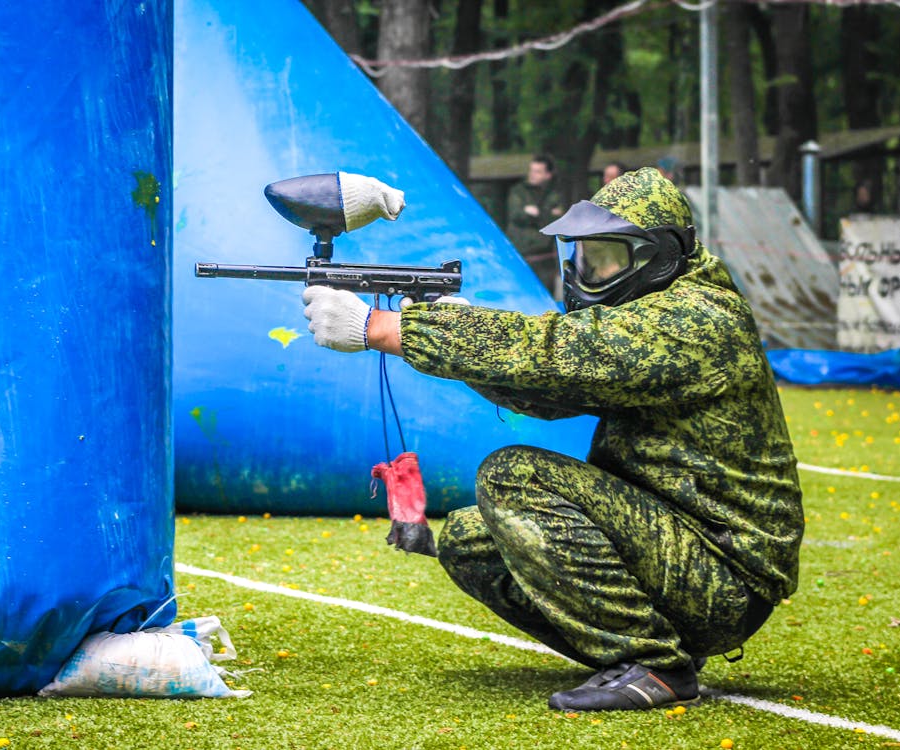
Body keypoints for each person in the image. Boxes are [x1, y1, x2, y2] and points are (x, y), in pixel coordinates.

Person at [301, 167, 803, 712]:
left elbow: (559, 352)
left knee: (513, 475)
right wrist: (453, 331)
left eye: (608, 258)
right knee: (471, 539)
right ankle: (651, 645)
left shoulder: (698, 317)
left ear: (659, 254)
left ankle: (656, 665)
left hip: (723, 573)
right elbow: (549, 391)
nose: (592, 273)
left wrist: (386, 328)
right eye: (587, 257)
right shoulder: (656, 310)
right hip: (674, 552)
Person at [505, 154, 565, 296]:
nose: (532, 175)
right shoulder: (519, 191)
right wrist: (546, 214)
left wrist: (536, 213)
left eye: (538, 171)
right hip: (521, 255)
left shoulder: (555, 194)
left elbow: (556, 222)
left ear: (548, 175)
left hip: (545, 260)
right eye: (532, 170)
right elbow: (517, 216)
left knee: (545, 299)